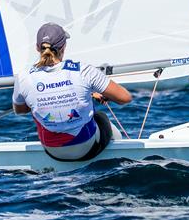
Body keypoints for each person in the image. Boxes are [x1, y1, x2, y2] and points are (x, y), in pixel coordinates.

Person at [12, 23, 131, 161]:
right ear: (64, 47)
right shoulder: (84, 71)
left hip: (52, 152)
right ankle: (119, 160)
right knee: (101, 117)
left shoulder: (23, 77)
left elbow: (20, 110)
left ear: (37, 48)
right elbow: (125, 98)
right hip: (86, 148)